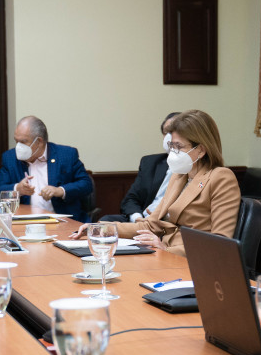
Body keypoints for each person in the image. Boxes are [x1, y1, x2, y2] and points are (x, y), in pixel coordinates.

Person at [94, 109, 239, 256]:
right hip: (161, 253)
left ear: (201, 150)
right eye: (171, 146)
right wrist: (100, 228)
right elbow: (151, 225)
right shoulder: (179, 176)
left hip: (189, 259)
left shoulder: (221, 177)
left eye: (179, 147)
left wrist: (166, 250)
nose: (173, 152)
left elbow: (220, 241)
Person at [0, 115, 94, 221]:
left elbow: (86, 184)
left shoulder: (66, 155)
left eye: (23, 142)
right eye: (16, 141)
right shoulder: (10, 157)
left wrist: (59, 191)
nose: (18, 147)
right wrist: (17, 189)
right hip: (24, 222)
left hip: (63, 221)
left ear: (39, 142)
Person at [101, 112, 179, 223]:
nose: (169, 137)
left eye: (173, 131)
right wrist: (137, 219)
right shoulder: (150, 163)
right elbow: (130, 199)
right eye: (166, 132)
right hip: (142, 219)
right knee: (106, 221)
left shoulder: (194, 167)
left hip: (167, 222)